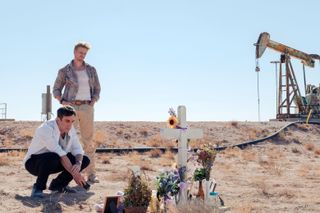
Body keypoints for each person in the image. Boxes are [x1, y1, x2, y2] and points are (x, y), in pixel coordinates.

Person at [53, 41, 101, 183]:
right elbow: (56, 88)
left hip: (87, 107)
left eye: (85, 53)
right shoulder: (64, 71)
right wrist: (62, 101)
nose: (82, 55)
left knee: (88, 140)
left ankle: (91, 174)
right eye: (80, 52)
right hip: (70, 108)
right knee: (66, 140)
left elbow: (97, 88)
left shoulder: (91, 70)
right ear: (74, 52)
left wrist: (93, 101)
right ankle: (67, 176)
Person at [23, 106, 90, 198]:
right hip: (34, 163)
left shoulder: (70, 129)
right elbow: (60, 154)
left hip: (56, 160)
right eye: (67, 121)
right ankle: (38, 188)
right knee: (53, 156)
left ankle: (58, 185)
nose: (70, 125)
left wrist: (78, 164)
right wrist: (76, 175)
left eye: (72, 121)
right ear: (58, 119)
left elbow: (78, 149)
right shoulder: (46, 129)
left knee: (84, 159)